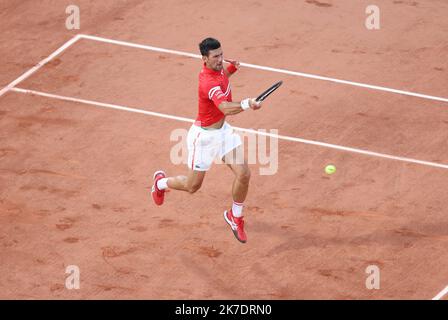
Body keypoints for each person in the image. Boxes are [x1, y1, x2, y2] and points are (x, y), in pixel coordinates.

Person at [151, 37, 262, 243]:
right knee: (193, 186)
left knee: (244, 174)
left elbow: (223, 77)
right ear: (204, 59)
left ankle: (235, 216)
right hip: (204, 138)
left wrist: (232, 69)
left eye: (221, 54)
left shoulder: (219, 69)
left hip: (223, 133)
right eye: (216, 56)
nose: (220, 59)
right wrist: (247, 103)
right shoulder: (207, 82)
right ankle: (160, 182)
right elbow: (225, 107)